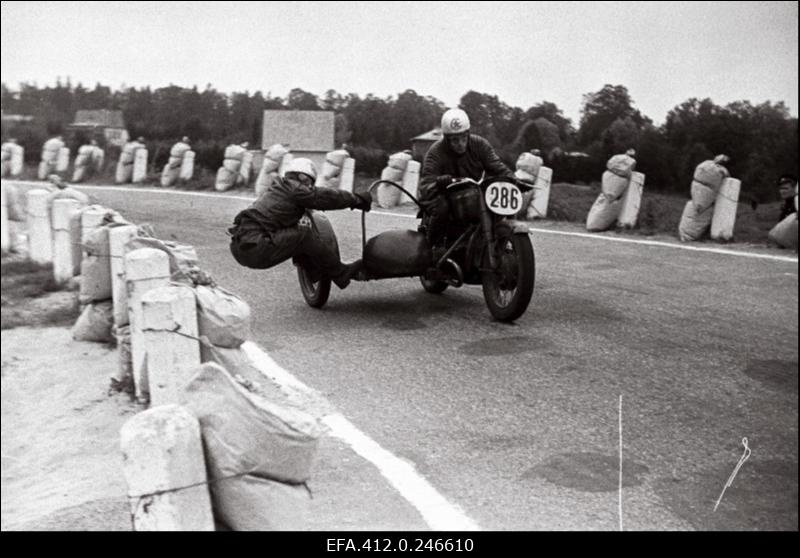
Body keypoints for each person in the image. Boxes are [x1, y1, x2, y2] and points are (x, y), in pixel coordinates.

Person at [227, 157, 372, 289]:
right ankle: (342, 273)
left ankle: (314, 272)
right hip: (256, 246)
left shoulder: (280, 188)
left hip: (243, 246)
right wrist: (356, 199)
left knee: (298, 232)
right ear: (302, 177)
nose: (309, 187)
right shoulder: (295, 189)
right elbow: (323, 197)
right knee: (304, 235)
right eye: (309, 183)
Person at [418, 108, 513, 247]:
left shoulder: (480, 144)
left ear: (468, 133)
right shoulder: (435, 152)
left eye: (464, 137)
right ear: (446, 139)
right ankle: (432, 247)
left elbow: (497, 166)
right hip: (444, 194)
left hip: (473, 192)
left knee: (494, 204)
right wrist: (438, 183)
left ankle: (500, 242)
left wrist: (514, 180)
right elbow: (426, 184)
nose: (461, 143)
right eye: (455, 140)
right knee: (442, 207)